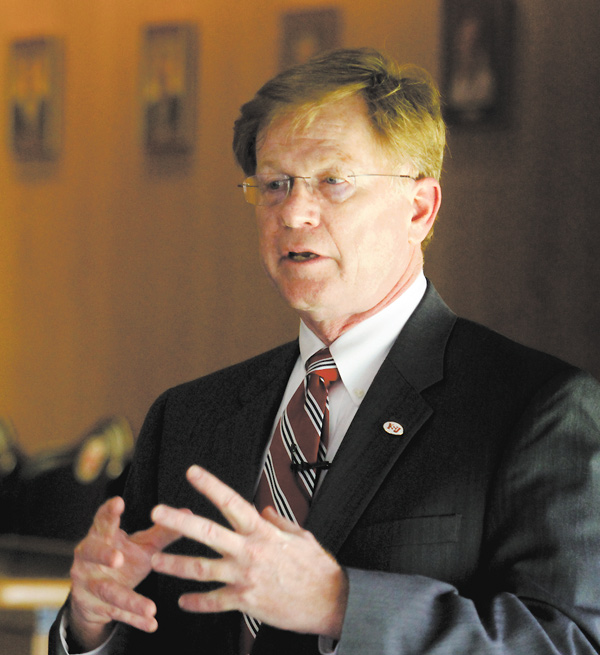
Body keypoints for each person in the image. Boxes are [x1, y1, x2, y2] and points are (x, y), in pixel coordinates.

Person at [50, 47, 600, 655]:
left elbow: (570, 641)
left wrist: (342, 603)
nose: (293, 212)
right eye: (274, 184)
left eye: (333, 182)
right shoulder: (188, 418)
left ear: (420, 207)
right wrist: (90, 625)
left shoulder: (537, 411)